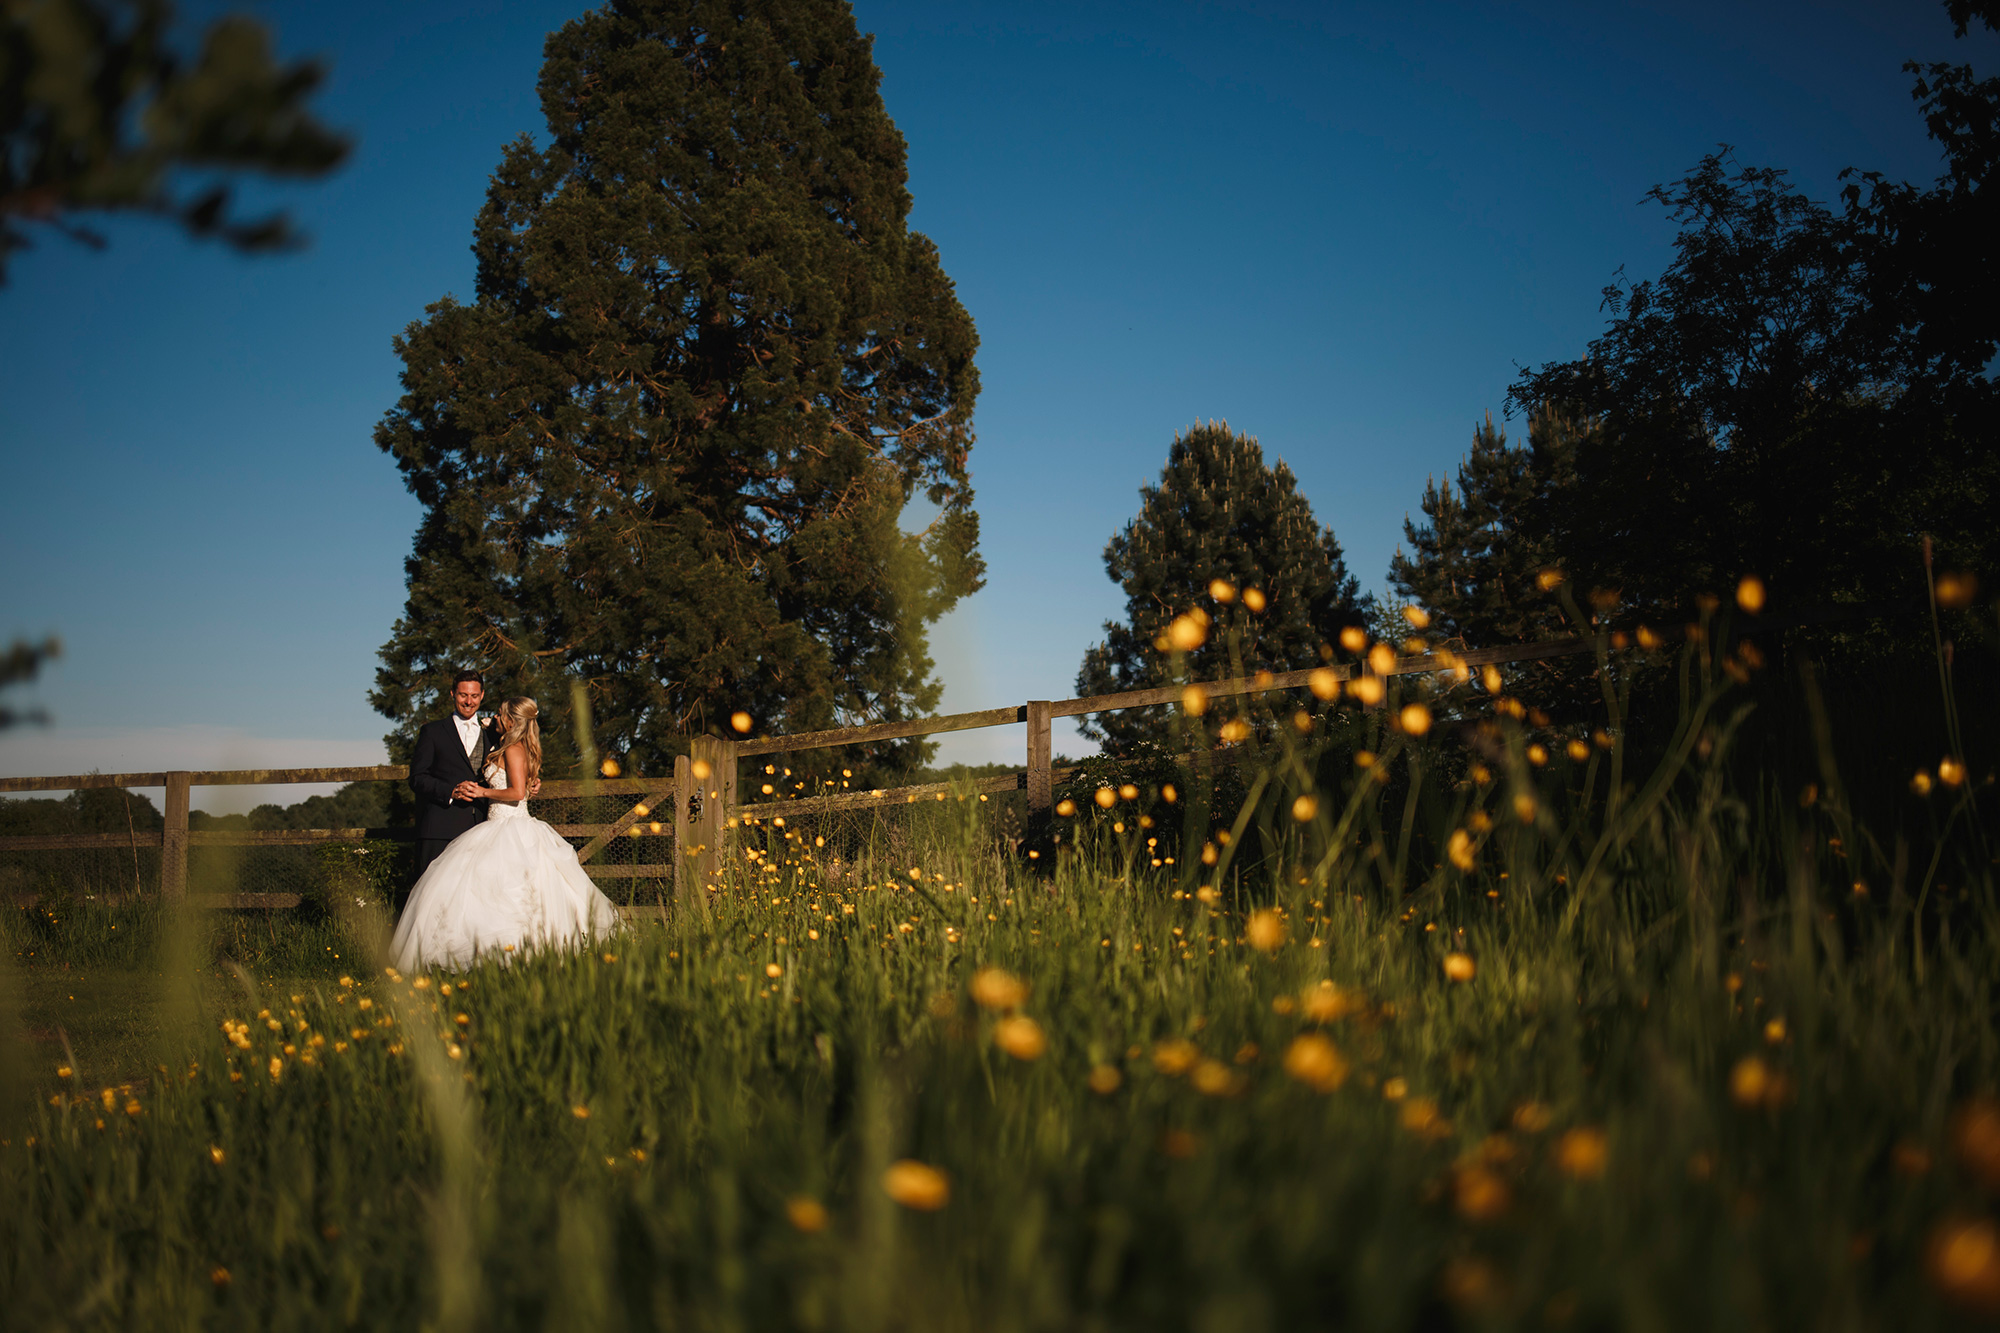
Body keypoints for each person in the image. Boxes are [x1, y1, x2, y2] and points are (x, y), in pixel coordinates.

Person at [390, 695, 619, 971]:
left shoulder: (513, 748)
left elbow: (517, 791)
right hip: (499, 823)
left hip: (509, 825)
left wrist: (482, 791)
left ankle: (514, 953)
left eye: (500, 715)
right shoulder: (513, 744)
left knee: (510, 891)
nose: (495, 718)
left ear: (510, 720)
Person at [407, 671, 497, 893]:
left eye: (474, 696)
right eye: (463, 695)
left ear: (482, 695)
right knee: (433, 896)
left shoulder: (494, 734)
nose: (469, 701)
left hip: (482, 829)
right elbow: (417, 778)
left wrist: (529, 783)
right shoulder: (432, 732)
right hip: (440, 828)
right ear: (452, 694)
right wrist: (451, 791)